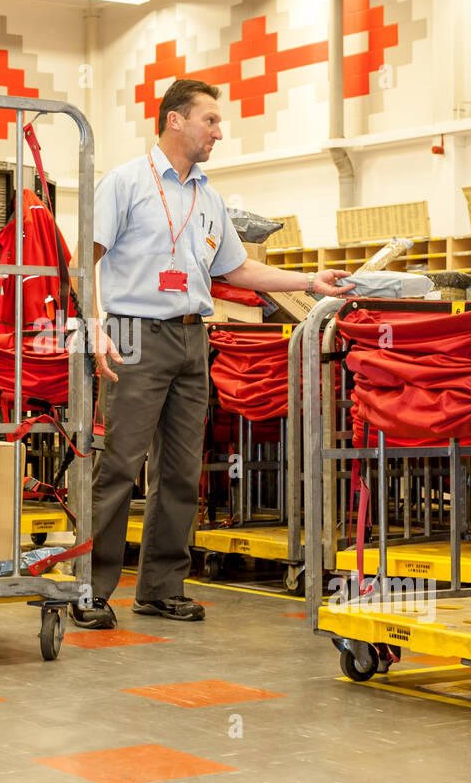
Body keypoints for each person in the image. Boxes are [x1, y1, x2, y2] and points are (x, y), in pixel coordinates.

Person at [74, 77, 353, 630]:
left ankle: (161, 587)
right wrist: (92, 325)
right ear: (175, 120)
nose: (219, 133)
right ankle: (90, 587)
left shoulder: (208, 196)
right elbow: (86, 256)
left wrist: (309, 282)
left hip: (192, 337)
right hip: (133, 332)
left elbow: (236, 269)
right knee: (121, 467)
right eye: (211, 121)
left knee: (181, 472)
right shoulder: (126, 182)